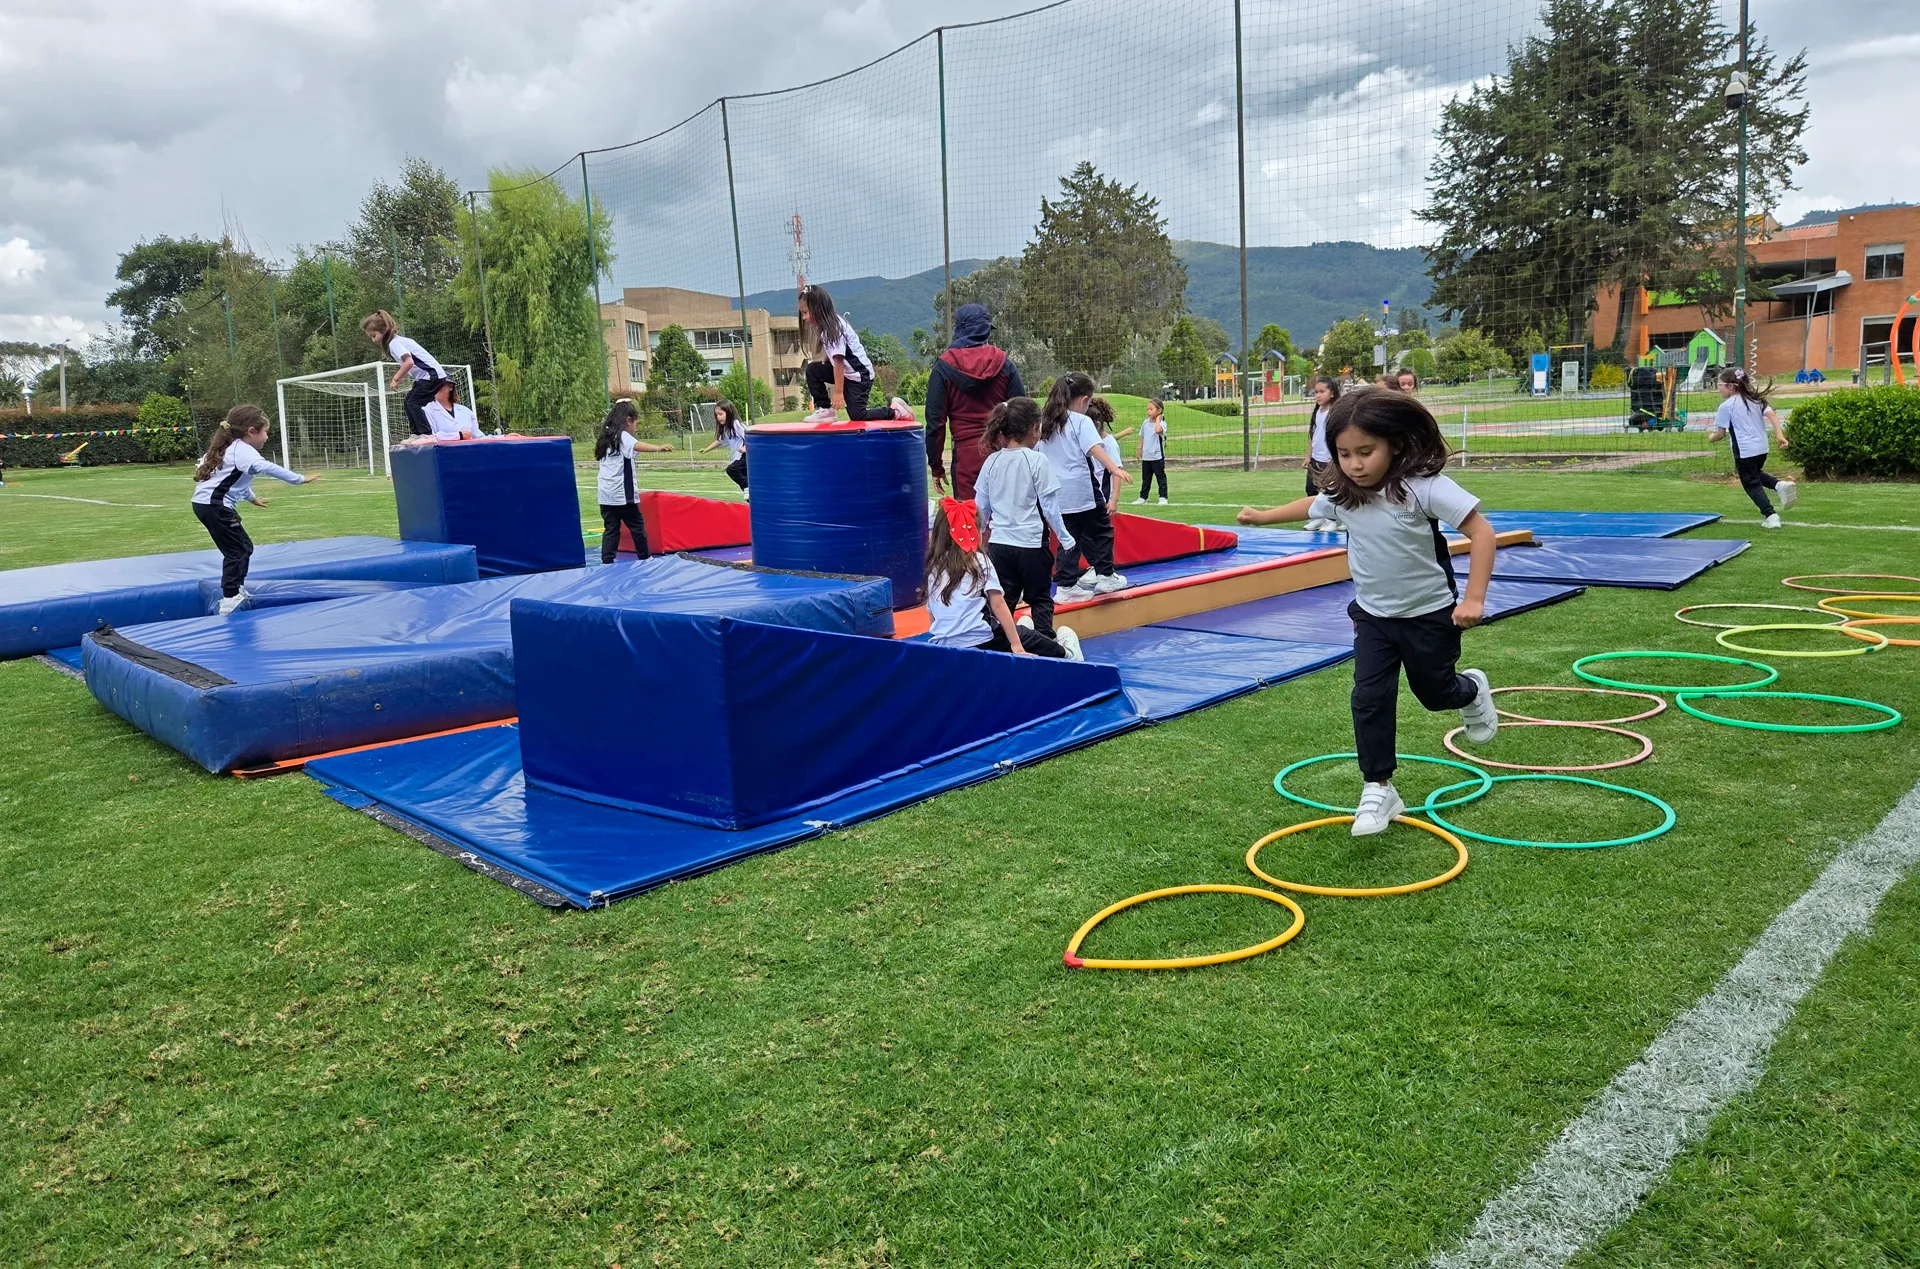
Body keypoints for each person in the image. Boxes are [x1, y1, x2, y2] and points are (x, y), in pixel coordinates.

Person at [1236, 389, 1499, 837]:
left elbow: (1482, 532)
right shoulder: (1346, 493)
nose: (1355, 464)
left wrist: (1473, 599)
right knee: (1369, 698)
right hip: (1373, 616)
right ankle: (1378, 786)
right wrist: (1262, 517)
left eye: (1365, 452)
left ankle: (1470, 690)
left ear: (1394, 444)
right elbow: (1311, 505)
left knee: (1435, 694)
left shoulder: (1423, 488)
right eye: (1343, 454)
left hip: (1428, 612)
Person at [190, 405, 319, 615]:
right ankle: (230, 598)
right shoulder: (242, 450)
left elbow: (235, 481)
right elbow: (265, 467)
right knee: (238, 550)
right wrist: (299, 479)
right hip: (215, 506)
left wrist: (252, 499)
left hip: (205, 504)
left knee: (242, 547)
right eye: (265, 431)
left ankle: (235, 590)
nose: (267, 437)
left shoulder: (230, 447)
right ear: (251, 431)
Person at [925, 498, 1081, 660]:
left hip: (944, 643)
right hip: (982, 639)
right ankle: (1067, 654)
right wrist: (1016, 646)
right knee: (1028, 637)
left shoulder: (933, 566)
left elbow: (932, 612)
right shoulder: (978, 561)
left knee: (1013, 629)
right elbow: (998, 604)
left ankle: (1015, 632)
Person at [975, 396, 1077, 642]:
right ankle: (1045, 644)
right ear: (1034, 428)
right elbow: (1050, 507)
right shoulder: (1037, 460)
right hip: (1031, 544)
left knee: (1003, 599)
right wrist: (1065, 537)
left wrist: (977, 540)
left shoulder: (992, 461)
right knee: (1040, 597)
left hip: (1000, 545)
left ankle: (1001, 643)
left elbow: (981, 508)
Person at [1037, 372, 1130, 602]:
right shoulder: (1080, 421)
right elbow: (1095, 449)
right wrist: (1114, 468)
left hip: (1057, 493)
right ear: (1083, 400)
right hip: (1082, 490)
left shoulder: (1045, 422)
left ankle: (1066, 585)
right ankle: (1106, 574)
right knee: (1101, 530)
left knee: (1069, 537)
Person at [925, 302, 1024, 498]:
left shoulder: (943, 366)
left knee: (969, 521)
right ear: (986, 330)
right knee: (1006, 518)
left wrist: (936, 466)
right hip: (1002, 452)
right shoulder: (1003, 362)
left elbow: (935, 423)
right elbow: (1022, 412)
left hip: (965, 458)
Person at [798, 285, 912, 424]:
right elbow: (834, 355)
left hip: (859, 375)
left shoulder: (834, 328)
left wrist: (838, 393)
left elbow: (839, 362)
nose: (804, 317)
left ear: (817, 308)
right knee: (813, 370)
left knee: (858, 416)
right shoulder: (827, 326)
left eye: (805, 312)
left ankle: (895, 411)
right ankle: (826, 409)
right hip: (847, 373)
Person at [1707, 367, 1794, 528]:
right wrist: (1780, 435)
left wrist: (1711, 438)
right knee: (1754, 474)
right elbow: (1772, 416)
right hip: (1762, 448)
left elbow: (1720, 434)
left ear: (1731, 386)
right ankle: (1779, 485)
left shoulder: (1726, 406)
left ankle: (1771, 516)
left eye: (1720, 384)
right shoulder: (1755, 399)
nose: (1718, 388)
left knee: (1750, 483)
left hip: (1745, 450)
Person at [595, 399, 675, 564]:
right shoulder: (623, 436)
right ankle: (645, 557)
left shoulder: (606, 436)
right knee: (637, 527)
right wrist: (658, 448)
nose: (635, 427)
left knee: (611, 529)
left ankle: (607, 560)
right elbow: (638, 445)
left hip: (605, 494)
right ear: (628, 421)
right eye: (635, 423)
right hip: (622, 494)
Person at [359, 310, 447, 437]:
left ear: (383, 330)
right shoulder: (398, 341)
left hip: (431, 376)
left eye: (373, 335)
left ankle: (426, 434)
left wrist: (396, 378)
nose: (373, 340)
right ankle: (417, 434)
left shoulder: (395, 343)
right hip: (429, 377)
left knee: (413, 403)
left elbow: (409, 362)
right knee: (408, 402)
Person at [1302, 375, 1341, 531]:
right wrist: (1308, 455)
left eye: (1322, 391)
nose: (1318, 395)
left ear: (1332, 393)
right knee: (1311, 488)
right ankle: (1317, 517)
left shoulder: (1336, 411)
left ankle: (1332, 519)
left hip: (1329, 458)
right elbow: (1312, 434)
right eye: (1316, 392)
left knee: (1329, 489)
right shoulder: (1318, 411)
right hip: (1316, 458)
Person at [1086, 396, 1130, 515]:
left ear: (1097, 425)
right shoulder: (1087, 442)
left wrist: (1113, 500)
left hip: (1103, 497)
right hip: (1089, 497)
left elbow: (1116, 472)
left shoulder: (1109, 444)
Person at [700, 399, 750, 496]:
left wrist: (744, 448)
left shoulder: (735, 424)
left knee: (731, 470)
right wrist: (706, 449)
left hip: (745, 457)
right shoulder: (726, 429)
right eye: (716, 415)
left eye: (720, 414)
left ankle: (747, 487)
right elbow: (719, 441)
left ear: (729, 412)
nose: (718, 417)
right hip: (738, 459)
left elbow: (749, 436)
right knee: (747, 492)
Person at [1133, 398, 1169, 505]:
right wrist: (1139, 448)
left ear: (1159, 411)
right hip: (1147, 456)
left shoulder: (1162, 423)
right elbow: (1143, 436)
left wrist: (1158, 420)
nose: (1148, 411)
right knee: (1146, 479)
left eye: (1151, 409)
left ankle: (1163, 497)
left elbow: (1158, 431)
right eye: (1147, 409)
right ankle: (1143, 497)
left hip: (1157, 456)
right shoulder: (1145, 423)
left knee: (1160, 477)